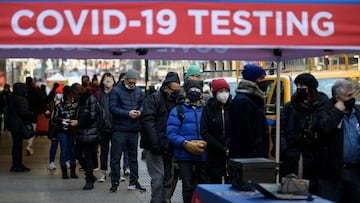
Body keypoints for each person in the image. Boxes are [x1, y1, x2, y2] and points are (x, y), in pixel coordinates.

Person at [280, 73, 329, 194]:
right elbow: (280, 128)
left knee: (312, 189)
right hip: (293, 154)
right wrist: (285, 148)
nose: (299, 88)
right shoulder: (291, 106)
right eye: (297, 85)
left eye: (302, 85)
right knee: (291, 188)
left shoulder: (323, 106)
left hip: (315, 155)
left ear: (310, 88)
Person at [315, 79, 360, 202]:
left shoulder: (357, 112)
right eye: (348, 95)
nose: (352, 98)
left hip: (355, 172)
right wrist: (337, 111)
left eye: (353, 94)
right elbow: (324, 129)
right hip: (332, 173)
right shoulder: (325, 111)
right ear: (337, 97)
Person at [141, 72, 181, 203]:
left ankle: (165, 200)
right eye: (173, 90)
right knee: (158, 178)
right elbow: (148, 121)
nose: (176, 93)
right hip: (154, 145)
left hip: (169, 146)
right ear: (166, 88)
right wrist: (155, 143)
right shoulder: (153, 99)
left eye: (178, 90)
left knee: (168, 178)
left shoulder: (177, 102)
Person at [167, 80, 207, 203]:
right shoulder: (178, 110)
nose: (194, 92)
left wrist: (205, 143)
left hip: (203, 155)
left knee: (203, 185)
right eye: (191, 90)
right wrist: (185, 143)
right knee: (188, 186)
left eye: (197, 90)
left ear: (201, 93)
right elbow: (171, 133)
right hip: (184, 156)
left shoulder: (206, 110)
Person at [109, 69, 146, 192]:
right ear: (125, 80)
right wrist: (127, 113)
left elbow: (142, 104)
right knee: (115, 157)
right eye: (130, 82)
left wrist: (140, 111)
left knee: (133, 157)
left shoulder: (138, 91)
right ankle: (115, 182)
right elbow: (113, 108)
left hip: (133, 129)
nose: (132, 85)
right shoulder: (116, 91)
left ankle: (134, 181)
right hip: (119, 129)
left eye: (134, 83)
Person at [229, 64, 269, 158]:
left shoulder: (254, 99)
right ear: (252, 80)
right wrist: (254, 152)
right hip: (248, 158)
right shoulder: (243, 102)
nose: (264, 82)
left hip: (255, 156)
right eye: (261, 78)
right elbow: (244, 134)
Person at [201, 78, 231, 184]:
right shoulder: (208, 109)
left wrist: (229, 147)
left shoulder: (233, 108)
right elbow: (205, 131)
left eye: (226, 91)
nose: (224, 94)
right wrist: (221, 148)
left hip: (231, 153)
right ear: (215, 93)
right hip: (214, 153)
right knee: (215, 182)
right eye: (221, 91)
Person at [69, 83, 98, 190]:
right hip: (79, 133)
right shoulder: (79, 100)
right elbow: (78, 114)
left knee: (88, 156)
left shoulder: (90, 98)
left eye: (74, 94)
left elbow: (92, 117)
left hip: (89, 133)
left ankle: (89, 180)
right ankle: (90, 175)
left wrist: (78, 122)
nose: (73, 97)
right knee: (78, 154)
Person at [6, 82, 35, 172]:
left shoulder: (11, 98)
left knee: (16, 146)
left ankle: (16, 164)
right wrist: (32, 114)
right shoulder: (21, 99)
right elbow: (24, 112)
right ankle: (17, 165)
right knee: (18, 146)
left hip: (13, 125)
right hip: (19, 125)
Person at [52, 85, 78, 179]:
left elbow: (54, 119)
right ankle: (67, 172)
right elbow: (54, 119)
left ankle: (70, 172)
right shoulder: (60, 106)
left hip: (70, 130)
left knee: (70, 150)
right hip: (63, 130)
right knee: (66, 150)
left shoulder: (74, 106)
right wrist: (63, 121)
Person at [97, 72, 116, 183]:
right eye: (106, 78)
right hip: (103, 127)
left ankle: (115, 171)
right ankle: (103, 172)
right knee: (104, 151)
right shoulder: (99, 94)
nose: (108, 80)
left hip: (116, 126)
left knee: (116, 151)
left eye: (110, 78)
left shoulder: (117, 93)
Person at [25, 76, 46, 155]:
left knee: (26, 129)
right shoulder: (36, 90)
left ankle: (29, 145)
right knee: (32, 130)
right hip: (33, 113)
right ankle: (29, 145)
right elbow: (42, 100)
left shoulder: (24, 90)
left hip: (25, 113)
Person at [45, 84, 63, 170]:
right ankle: (51, 162)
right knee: (54, 145)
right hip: (54, 127)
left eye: (60, 93)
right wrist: (47, 113)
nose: (59, 94)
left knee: (64, 146)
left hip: (63, 127)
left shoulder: (66, 103)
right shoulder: (52, 103)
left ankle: (65, 161)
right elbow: (47, 113)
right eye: (57, 93)